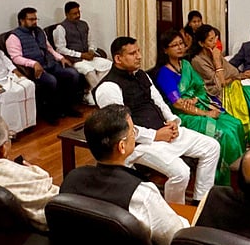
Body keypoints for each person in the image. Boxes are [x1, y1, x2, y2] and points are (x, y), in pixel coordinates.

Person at [95, 35, 221, 204]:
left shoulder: (141, 75)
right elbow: (121, 129)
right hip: (139, 144)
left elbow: (159, 102)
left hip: (164, 131)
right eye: (133, 53)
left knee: (212, 146)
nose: (139, 56)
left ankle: (199, 202)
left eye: (138, 51)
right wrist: (155, 135)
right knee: (181, 172)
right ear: (118, 58)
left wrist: (173, 121)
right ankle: (175, 210)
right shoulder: (108, 87)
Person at [60, 105, 189, 245]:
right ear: (122, 146)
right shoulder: (142, 194)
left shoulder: (71, 179)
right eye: (133, 132)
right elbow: (174, 242)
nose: (135, 135)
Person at [150, 30, 243, 186]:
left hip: (198, 104)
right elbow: (178, 103)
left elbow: (200, 87)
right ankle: (222, 180)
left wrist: (195, 98)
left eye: (181, 44)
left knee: (235, 124)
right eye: (174, 45)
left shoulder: (186, 64)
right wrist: (206, 113)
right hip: (183, 115)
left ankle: (239, 174)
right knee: (225, 134)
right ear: (165, 50)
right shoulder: (164, 74)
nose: (180, 48)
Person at [188, 23, 250, 142]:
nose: (215, 42)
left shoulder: (213, 52)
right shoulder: (197, 61)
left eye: (216, 38)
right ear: (201, 43)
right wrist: (217, 61)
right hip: (219, 94)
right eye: (211, 40)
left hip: (233, 86)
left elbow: (231, 70)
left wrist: (241, 75)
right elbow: (220, 83)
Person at [6, 7, 81, 123]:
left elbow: (49, 48)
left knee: (73, 74)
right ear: (22, 20)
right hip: (34, 69)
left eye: (36, 19)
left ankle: (67, 107)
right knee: (51, 81)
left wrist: (61, 58)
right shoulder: (13, 37)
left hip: (50, 63)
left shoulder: (39, 32)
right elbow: (16, 58)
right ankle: (49, 113)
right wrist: (33, 63)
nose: (35, 22)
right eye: (31, 19)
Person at [52, 1, 113, 94]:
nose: (78, 15)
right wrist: (80, 55)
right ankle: (100, 93)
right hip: (75, 60)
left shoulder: (84, 24)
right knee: (89, 70)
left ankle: (91, 91)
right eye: (74, 13)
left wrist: (91, 50)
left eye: (78, 12)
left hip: (89, 57)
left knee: (109, 65)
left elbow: (91, 41)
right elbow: (60, 49)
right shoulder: (60, 28)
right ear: (67, 14)